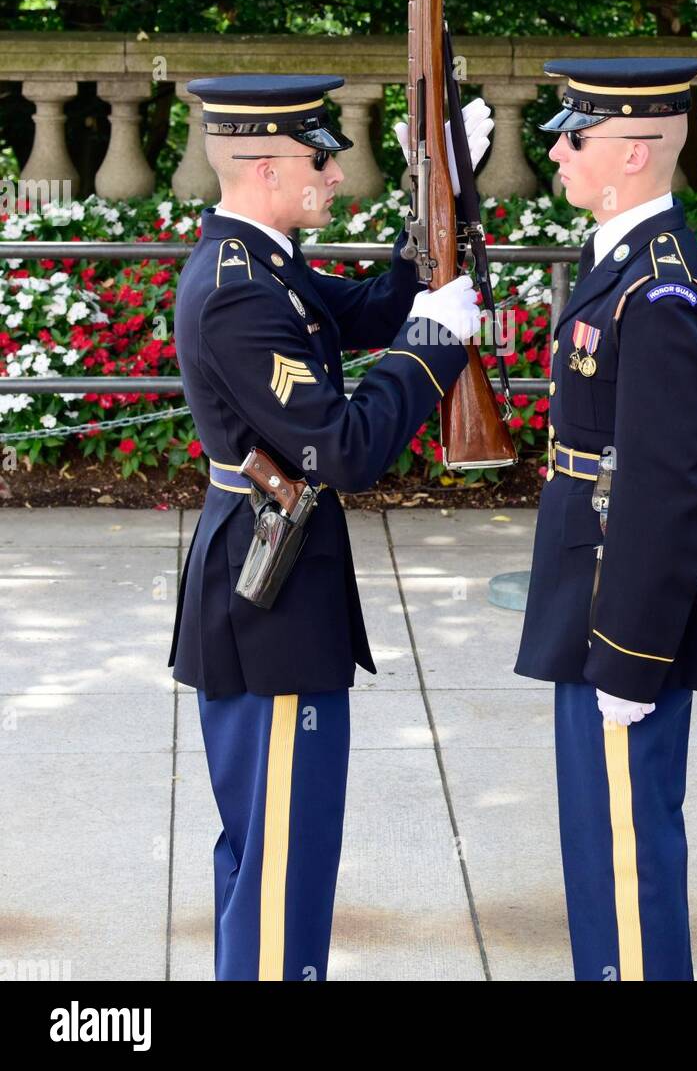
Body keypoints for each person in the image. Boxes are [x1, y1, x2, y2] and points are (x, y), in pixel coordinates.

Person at [169, 73, 491, 980]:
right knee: (279, 867)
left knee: (279, 856)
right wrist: (430, 347)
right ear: (266, 165)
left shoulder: (261, 258)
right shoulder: (237, 290)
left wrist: (444, 201)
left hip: (280, 588)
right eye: (323, 160)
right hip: (267, 606)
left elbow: (358, 312)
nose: (337, 178)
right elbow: (343, 452)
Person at [514, 57, 697, 981]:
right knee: (597, 843)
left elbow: (669, 482)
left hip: (622, 600)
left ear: (637, 151)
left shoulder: (658, 289)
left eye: (578, 136)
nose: (559, 152)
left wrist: (632, 652)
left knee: (626, 855)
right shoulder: (616, 253)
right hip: (591, 576)